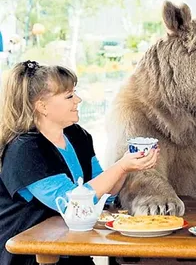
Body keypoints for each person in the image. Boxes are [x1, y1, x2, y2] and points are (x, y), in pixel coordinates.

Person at [0, 60, 160, 265]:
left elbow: (105, 194)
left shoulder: (77, 135)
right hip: (32, 256)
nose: (78, 99)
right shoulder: (25, 150)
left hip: (70, 249)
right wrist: (121, 166)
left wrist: (129, 165)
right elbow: (72, 204)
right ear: (42, 106)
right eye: (69, 96)